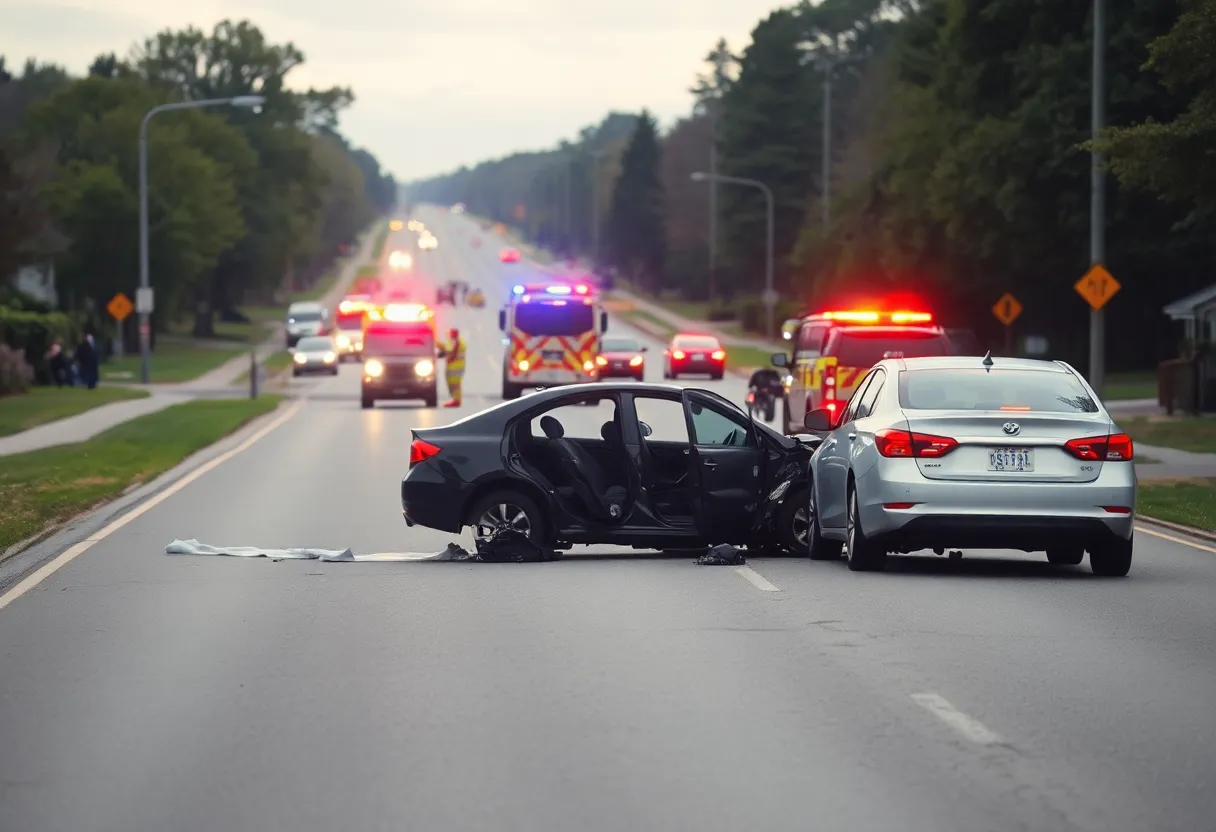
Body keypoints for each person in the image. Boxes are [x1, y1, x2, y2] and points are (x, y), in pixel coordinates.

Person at [436, 327, 467, 407]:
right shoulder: (455, 341)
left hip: (455, 367)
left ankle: (456, 401)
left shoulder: (457, 342)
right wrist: (436, 343)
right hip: (454, 366)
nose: (449, 335)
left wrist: (439, 355)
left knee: (455, 385)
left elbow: (450, 352)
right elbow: (446, 348)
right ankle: (455, 399)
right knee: (453, 384)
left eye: (450, 333)